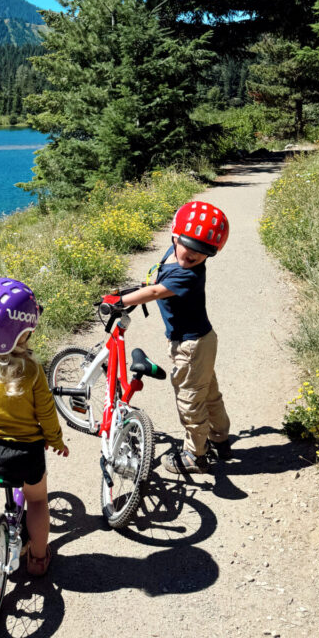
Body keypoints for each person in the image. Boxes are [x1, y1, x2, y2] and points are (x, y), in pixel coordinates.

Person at [0, 277, 68, 584]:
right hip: (26, 452)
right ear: (19, 334)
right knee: (37, 501)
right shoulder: (30, 371)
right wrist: (55, 439)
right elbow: (46, 410)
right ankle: (38, 557)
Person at [117, 200, 232, 474]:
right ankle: (220, 438)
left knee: (190, 400)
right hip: (201, 341)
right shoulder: (173, 254)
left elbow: (156, 292)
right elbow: (155, 282)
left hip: (191, 346)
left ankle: (196, 455)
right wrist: (139, 288)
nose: (191, 255)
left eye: (202, 252)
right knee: (208, 392)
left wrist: (119, 300)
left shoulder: (187, 275)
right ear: (174, 235)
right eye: (187, 245)